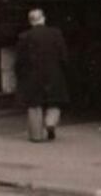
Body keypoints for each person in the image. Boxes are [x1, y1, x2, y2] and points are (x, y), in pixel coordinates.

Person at [15, 8, 69, 142]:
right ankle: (50, 124)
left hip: (32, 76)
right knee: (54, 102)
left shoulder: (24, 36)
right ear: (43, 18)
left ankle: (36, 136)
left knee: (34, 105)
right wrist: (64, 70)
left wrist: (20, 75)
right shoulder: (56, 33)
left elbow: (20, 61)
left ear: (30, 21)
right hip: (54, 73)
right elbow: (63, 56)